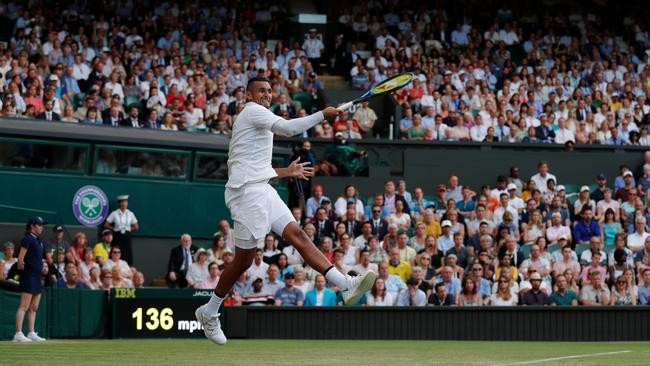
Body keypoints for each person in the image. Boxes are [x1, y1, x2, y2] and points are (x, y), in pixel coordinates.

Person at [195, 77, 376, 345]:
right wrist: (323, 115)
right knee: (244, 260)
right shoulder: (252, 110)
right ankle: (209, 311)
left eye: (270, 91)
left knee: (299, 235)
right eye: (261, 91)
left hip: (262, 189)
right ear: (249, 94)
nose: (267, 94)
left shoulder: (259, 116)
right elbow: (290, 129)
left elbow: (254, 166)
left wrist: (285, 172)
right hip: (246, 195)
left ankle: (345, 284)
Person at [14, 217, 47, 342]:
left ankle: (31, 332)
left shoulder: (39, 240)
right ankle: (18, 333)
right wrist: (26, 271)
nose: (41, 227)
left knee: (34, 307)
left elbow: (38, 258)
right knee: (24, 306)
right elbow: (21, 258)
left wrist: (43, 268)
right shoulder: (28, 238)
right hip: (29, 276)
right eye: (39, 225)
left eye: (42, 225)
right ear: (32, 226)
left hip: (38, 276)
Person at [104, 195, 139, 265]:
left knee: (128, 254)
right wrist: (113, 229)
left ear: (127, 203)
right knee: (116, 252)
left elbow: (136, 226)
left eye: (125, 202)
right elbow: (106, 224)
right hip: (117, 236)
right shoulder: (114, 213)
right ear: (119, 203)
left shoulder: (130, 214)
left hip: (127, 236)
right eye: (122, 202)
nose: (124, 204)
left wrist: (128, 230)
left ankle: (128, 269)